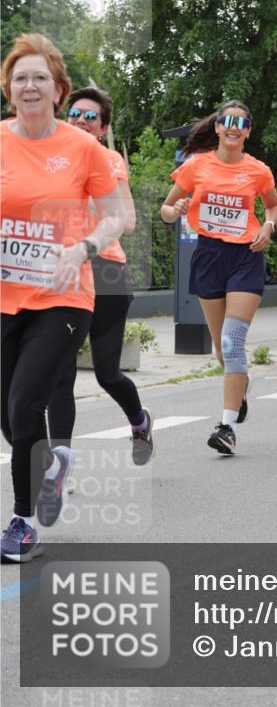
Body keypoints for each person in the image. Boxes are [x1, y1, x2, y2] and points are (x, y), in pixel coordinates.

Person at [1, 34, 124, 562]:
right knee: (9, 416)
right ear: (9, 89)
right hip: (6, 295)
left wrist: (84, 247)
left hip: (63, 296)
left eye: (40, 78)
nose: (29, 86)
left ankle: (23, 523)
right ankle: (50, 465)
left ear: (58, 90)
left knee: (26, 402)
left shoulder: (83, 148)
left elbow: (119, 215)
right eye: (20, 78)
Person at [160, 101, 277, 457]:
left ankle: (226, 427)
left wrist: (269, 226)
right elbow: (166, 210)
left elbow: (273, 205)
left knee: (232, 341)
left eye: (241, 123)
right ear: (217, 127)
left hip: (245, 256)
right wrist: (175, 210)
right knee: (221, 349)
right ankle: (239, 385)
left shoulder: (258, 170)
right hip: (209, 255)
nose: (233, 127)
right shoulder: (196, 165)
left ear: (248, 131)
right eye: (227, 121)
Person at [46, 88, 154, 468]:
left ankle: (139, 422)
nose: (81, 120)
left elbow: (128, 221)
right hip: (66, 274)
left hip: (106, 273)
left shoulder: (109, 160)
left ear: (103, 128)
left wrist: (90, 192)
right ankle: (60, 465)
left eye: (91, 116)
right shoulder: (51, 160)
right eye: (75, 113)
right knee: (60, 373)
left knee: (107, 374)